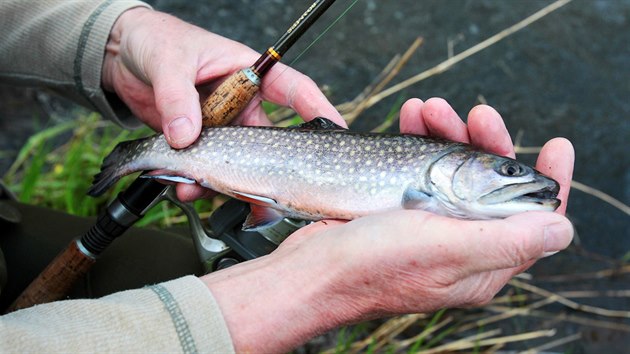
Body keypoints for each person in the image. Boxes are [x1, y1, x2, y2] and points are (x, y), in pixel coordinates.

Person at [0, 1, 575, 353]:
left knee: (173, 267)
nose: (517, 178)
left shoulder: (439, 192)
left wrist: (117, 37)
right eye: (504, 170)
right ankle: (144, 155)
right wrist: (308, 291)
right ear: (457, 166)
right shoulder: (430, 188)